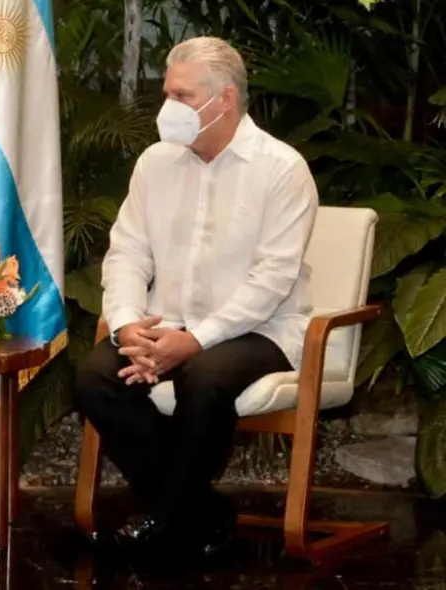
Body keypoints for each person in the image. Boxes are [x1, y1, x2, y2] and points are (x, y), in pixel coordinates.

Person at [75, 36, 318, 559]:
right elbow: (126, 253)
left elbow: (272, 280)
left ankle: (164, 519)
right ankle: (198, 513)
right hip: (168, 323)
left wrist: (196, 339)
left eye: (181, 96)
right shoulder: (154, 164)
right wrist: (125, 326)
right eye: (168, 93)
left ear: (224, 99)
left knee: (204, 377)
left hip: (261, 330)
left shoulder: (281, 169)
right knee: (96, 376)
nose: (168, 108)